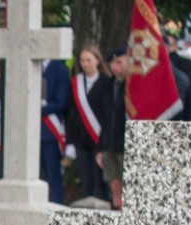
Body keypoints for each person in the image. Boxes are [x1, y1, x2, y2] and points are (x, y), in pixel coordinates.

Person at [65, 45, 112, 202]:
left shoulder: (107, 83)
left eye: (89, 60)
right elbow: (70, 113)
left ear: (98, 61)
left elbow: (108, 115)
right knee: (86, 181)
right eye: (82, 60)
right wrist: (70, 141)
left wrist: (104, 143)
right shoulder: (76, 83)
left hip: (100, 140)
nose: (85, 64)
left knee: (101, 182)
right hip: (81, 139)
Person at [99, 47, 128, 210]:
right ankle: (116, 209)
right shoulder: (109, 86)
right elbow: (104, 117)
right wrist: (100, 148)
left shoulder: (132, 86)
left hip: (125, 142)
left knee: (127, 183)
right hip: (109, 142)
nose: (115, 66)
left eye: (119, 62)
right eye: (112, 63)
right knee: (114, 183)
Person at [40, 59, 70, 204]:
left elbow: (61, 101)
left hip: (50, 130)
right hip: (32, 131)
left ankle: (55, 204)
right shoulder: (32, 64)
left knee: (53, 173)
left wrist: (41, 107)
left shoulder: (60, 68)